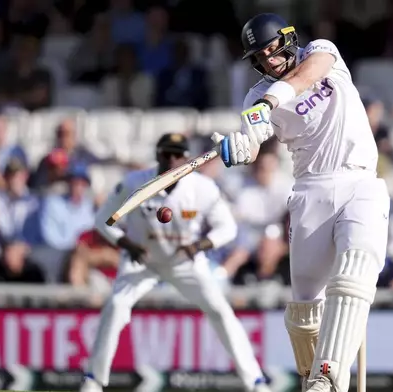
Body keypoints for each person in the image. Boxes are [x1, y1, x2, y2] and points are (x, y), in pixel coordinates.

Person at [219, 13, 390, 392]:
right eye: (259, 58)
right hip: (309, 191)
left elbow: (306, 75)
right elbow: (255, 136)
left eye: (271, 51)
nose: (268, 61)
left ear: (287, 39)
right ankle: (312, 381)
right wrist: (240, 147)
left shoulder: (322, 52)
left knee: (356, 271)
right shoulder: (255, 97)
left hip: (359, 180)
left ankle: (327, 378)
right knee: (304, 309)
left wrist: (269, 101)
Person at [80, 133, 270, 392]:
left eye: (177, 154)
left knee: (220, 310)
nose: (171, 159)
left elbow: (228, 229)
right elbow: (103, 219)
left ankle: (255, 381)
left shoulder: (203, 188)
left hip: (184, 262)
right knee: (115, 305)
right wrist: (126, 244)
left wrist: (199, 245)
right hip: (142, 260)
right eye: (166, 153)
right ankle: (93, 379)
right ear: (157, 155)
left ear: (187, 158)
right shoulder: (134, 183)